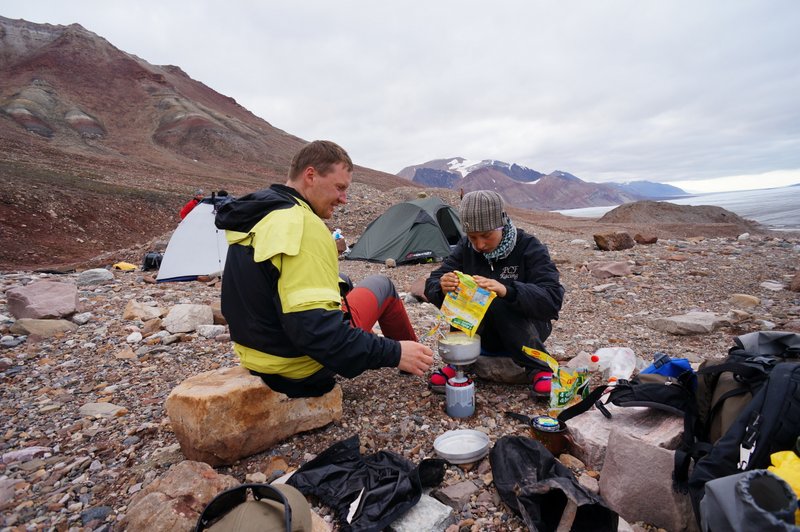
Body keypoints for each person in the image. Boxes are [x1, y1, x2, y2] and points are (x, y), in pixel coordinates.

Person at [215, 140, 433, 398]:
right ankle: (415, 358)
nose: (344, 199)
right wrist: (394, 352)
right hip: (299, 367)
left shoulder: (260, 215)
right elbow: (320, 336)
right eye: (340, 187)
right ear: (311, 176)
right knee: (382, 285)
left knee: (343, 281)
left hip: (257, 357)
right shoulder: (303, 225)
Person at [424, 190, 564, 396]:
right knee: (466, 294)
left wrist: (508, 291)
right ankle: (459, 363)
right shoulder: (466, 248)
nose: (479, 245)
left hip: (527, 331)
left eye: (486, 235)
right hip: (484, 335)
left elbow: (552, 299)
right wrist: (442, 286)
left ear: (501, 224)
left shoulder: (528, 247)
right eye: (473, 237)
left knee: (497, 299)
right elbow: (432, 283)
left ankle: (539, 367)